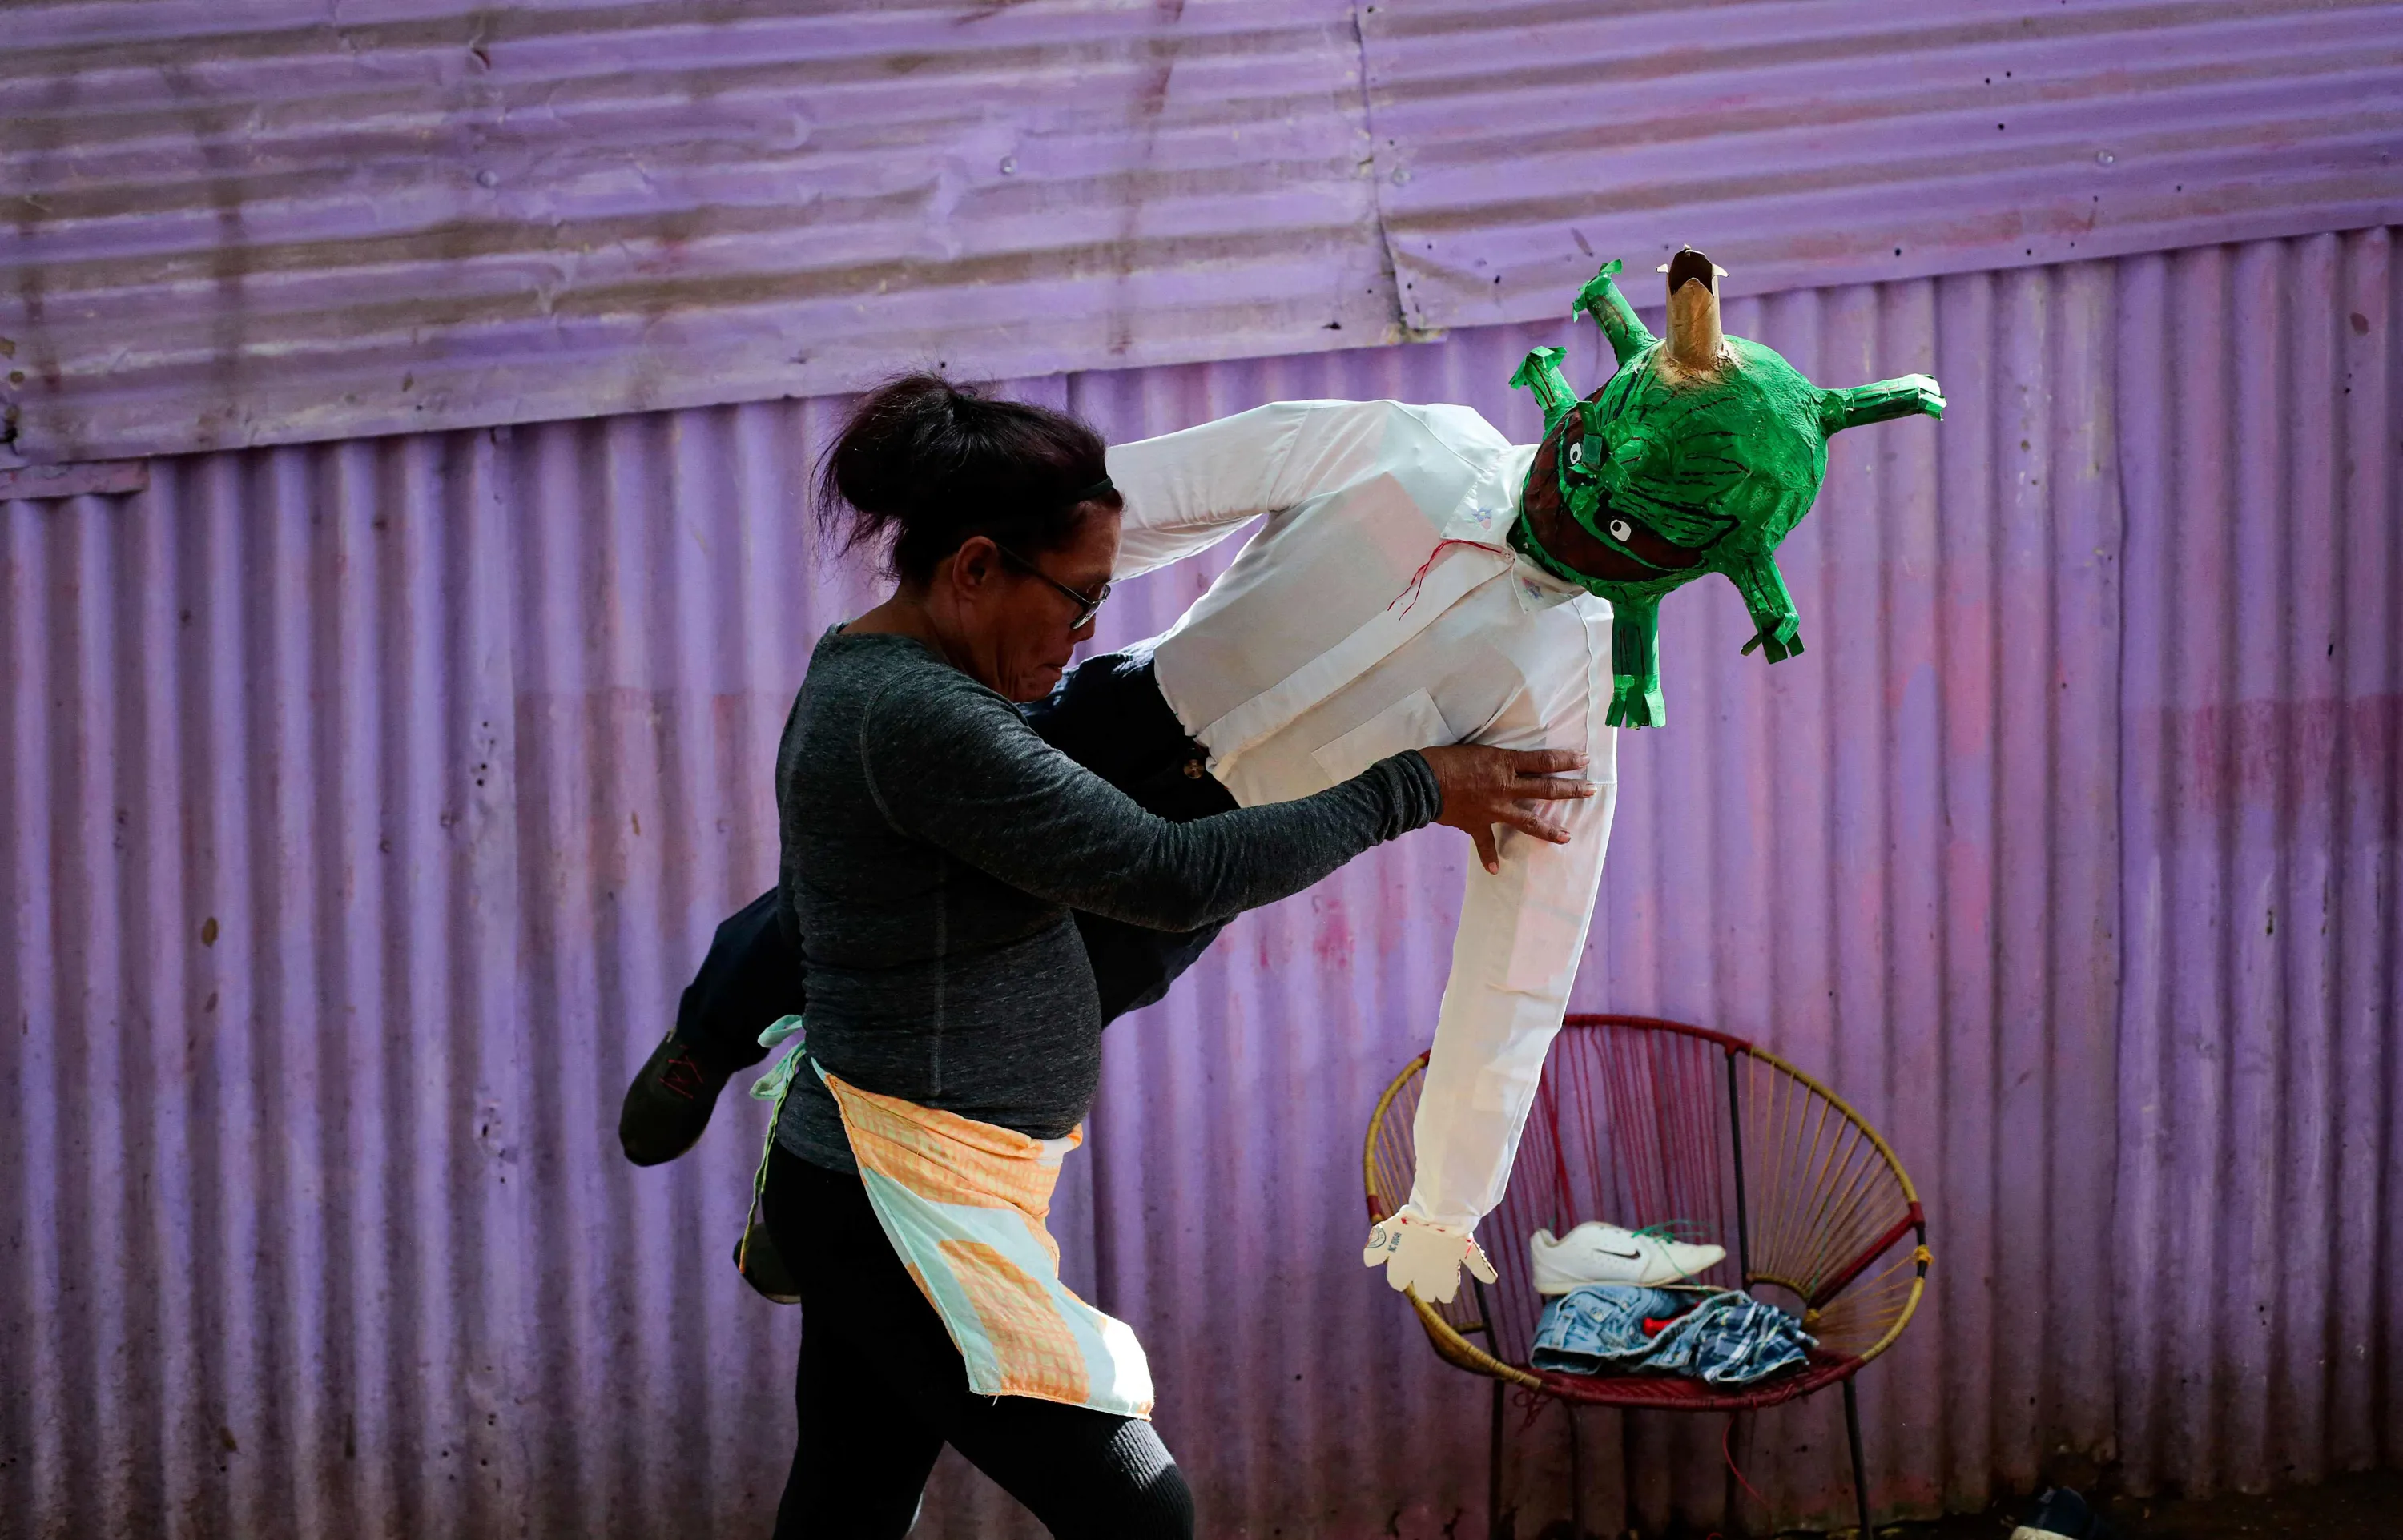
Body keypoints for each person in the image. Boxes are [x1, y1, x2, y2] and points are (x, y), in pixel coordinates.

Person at [629, 251, 1942, 1313]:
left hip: (1207, 868)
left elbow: (1523, 956)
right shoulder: (1404, 449)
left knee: (999, 1037)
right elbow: (1154, 498)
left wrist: (1448, 1200)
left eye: (1623, 530)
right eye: (1577, 475)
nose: (1561, 514)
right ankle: (711, 1033)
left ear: (1684, 567)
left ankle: (824, 1192)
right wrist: (990, 568)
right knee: (840, 915)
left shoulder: (1561, 695)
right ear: (1585, 414)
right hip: (1106, 726)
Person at [748, 375, 1591, 1540]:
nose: (1090, 635)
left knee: (848, 1502)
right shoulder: (921, 717)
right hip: (899, 1190)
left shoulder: (897, 685)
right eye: (1080, 600)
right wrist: (1411, 786)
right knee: (1140, 1508)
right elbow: (1171, 872)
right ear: (976, 568)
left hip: (890, 1174)